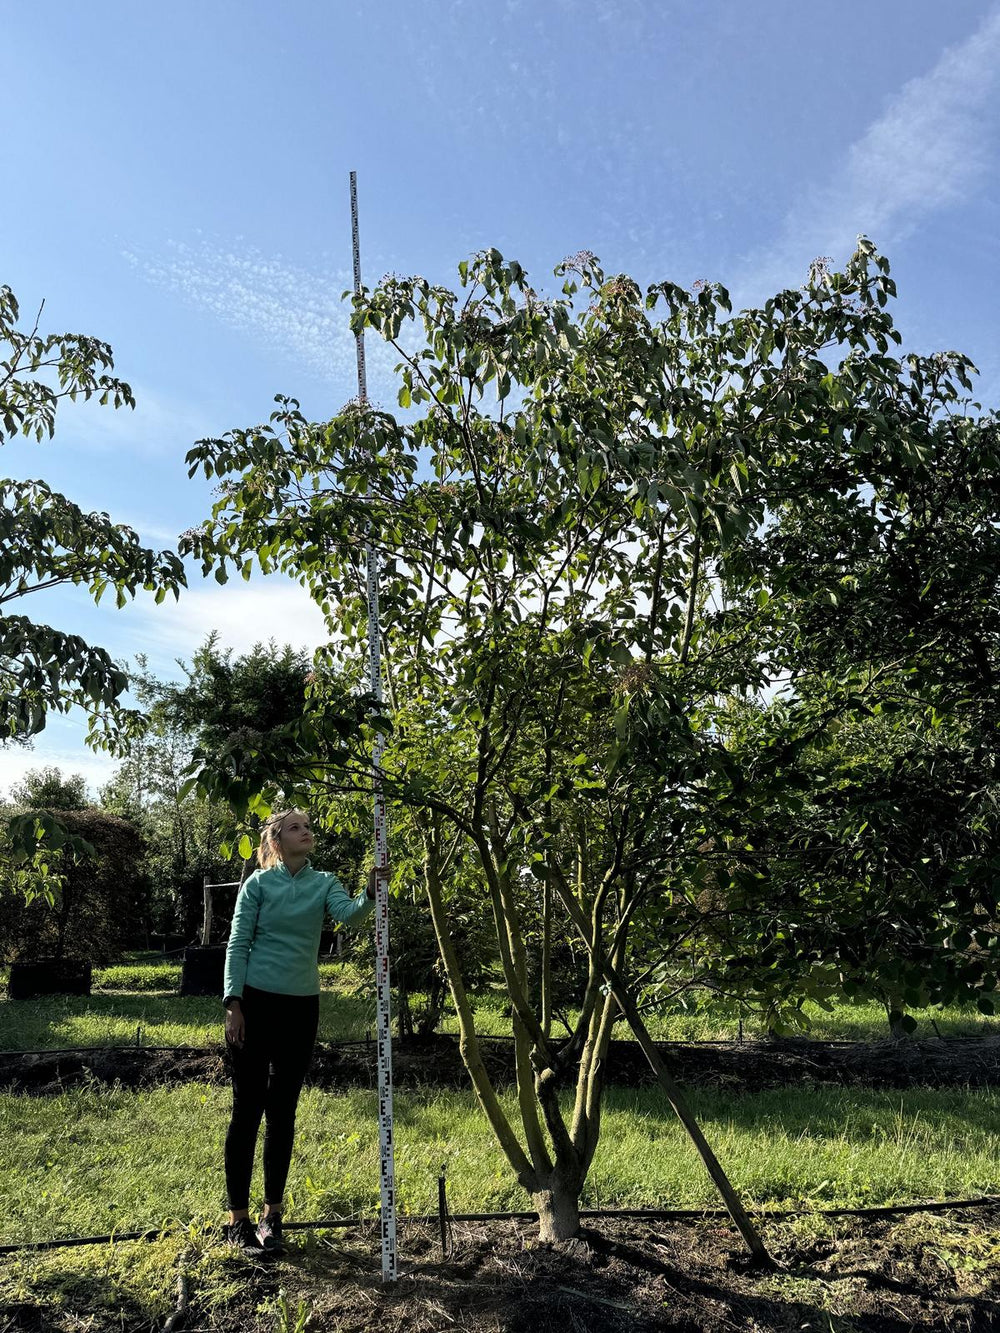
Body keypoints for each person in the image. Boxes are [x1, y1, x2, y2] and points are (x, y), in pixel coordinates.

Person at [221, 809, 380, 1255]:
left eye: (308, 827)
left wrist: (370, 891)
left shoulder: (324, 882)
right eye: (296, 827)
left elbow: (349, 916)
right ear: (275, 839)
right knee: (247, 1107)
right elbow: (238, 943)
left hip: (300, 1008)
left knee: (283, 1110)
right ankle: (237, 1218)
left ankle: (273, 1215)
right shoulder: (257, 884)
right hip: (254, 1005)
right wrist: (233, 1003)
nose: (307, 832)